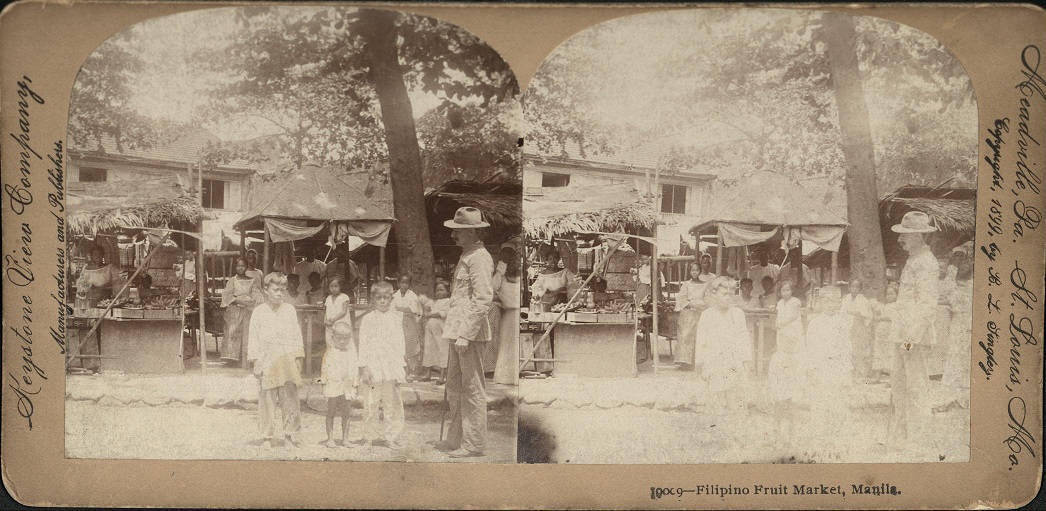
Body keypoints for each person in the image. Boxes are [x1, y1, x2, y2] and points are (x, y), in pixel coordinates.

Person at [435, 207, 494, 458]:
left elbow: (483, 299)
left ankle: (473, 443)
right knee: (455, 387)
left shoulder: (480, 258)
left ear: (471, 232)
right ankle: (457, 438)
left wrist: (466, 334)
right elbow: (461, 297)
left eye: (457, 232)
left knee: (472, 389)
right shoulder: (467, 255)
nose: (452, 237)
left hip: (469, 335)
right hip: (457, 331)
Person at [887, 211, 940, 448]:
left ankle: (920, 438)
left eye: (906, 235)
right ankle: (902, 434)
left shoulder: (927, 264)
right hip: (902, 334)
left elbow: (927, 305)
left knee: (915, 386)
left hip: (913, 337)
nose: (901, 240)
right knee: (899, 384)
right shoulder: (913, 260)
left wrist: (909, 339)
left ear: (919, 236)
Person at [246, 272, 305, 448]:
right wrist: (255, 361)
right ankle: (266, 436)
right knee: (267, 399)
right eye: (275, 289)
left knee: (290, 399)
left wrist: (298, 357)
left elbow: (296, 335)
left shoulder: (290, 310)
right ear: (266, 290)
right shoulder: (258, 312)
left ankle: (289, 435)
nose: (280, 293)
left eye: (283, 290)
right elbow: (253, 338)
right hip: (267, 360)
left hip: (286, 359)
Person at [803, 285, 852, 458]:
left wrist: (846, 374)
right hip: (820, 370)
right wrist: (812, 370)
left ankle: (836, 445)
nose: (830, 304)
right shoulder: (815, 323)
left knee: (837, 408)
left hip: (837, 370)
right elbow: (810, 349)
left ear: (839, 303)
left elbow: (847, 350)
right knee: (819, 408)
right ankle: (818, 444)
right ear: (821, 302)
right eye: (826, 300)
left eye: (834, 301)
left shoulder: (843, 324)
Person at [357, 280, 407, 449]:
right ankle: (368, 437)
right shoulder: (368, 320)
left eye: (386, 298)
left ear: (391, 299)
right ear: (373, 299)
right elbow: (363, 344)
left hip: (391, 366)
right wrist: (364, 367)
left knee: (391, 403)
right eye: (379, 298)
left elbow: (400, 344)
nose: (383, 301)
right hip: (373, 366)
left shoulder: (395, 319)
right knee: (371, 403)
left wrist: (401, 368)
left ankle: (390, 436)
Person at [694, 276, 753, 417]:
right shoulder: (707, 315)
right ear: (714, 294)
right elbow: (701, 341)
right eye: (724, 294)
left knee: (735, 400)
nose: (728, 298)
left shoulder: (737, 314)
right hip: (714, 361)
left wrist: (746, 361)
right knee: (716, 400)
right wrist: (700, 364)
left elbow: (743, 337)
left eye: (731, 294)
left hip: (733, 361)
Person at [766, 280, 804, 447]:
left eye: (788, 290)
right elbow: (779, 315)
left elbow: (793, 316)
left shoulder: (796, 302)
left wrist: (784, 323)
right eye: (783, 290)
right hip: (783, 330)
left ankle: (793, 433)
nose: (786, 293)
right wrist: (778, 323)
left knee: (792, 353)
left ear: (792, 291)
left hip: (792, 329)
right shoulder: (780, 303)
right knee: (781, 350)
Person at [321, 277, 358, 448]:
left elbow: (343, 312)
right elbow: (325, 369)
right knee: (331, 411)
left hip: (341, 324)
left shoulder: (344, 298)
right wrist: (326, 321)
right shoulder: (328, 299)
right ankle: (330, 438)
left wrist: (355, 384)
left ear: (340, 286)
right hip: (334, 383)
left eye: (336, 285)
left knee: (346, 412)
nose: (334, 288)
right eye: (331, 285)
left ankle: (345, 438)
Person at [220, 257, 263, 366]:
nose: (240, 268)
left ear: (247, 267)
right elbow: (227, 295)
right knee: (232, 330)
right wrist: (239, 301)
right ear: (235, 267)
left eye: (243, 266)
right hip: (234, 309)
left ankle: (246, 357)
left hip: (248, 309)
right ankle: (231, 359)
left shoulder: (252, 281)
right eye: (238, 266)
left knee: (249, 332)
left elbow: (257, 295)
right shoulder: (232, 280)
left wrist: (251, 303)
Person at [942, 258, 973, 411]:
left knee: (959, 358)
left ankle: (961, 397)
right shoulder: (966, 288)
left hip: (963, 323)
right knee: (961, 358)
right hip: (963, 323)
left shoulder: (958, 289)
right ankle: (960, 397)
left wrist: (952, 271)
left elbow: (948, 289)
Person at [674, 262, 712, 370]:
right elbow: (681, 298)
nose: (694, 272)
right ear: (689, 271)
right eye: (692, 270)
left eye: (696, 270)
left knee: (699, 336)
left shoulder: (705, 285)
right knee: (685, 336)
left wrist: (701, 305)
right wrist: (691, 304)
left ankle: (697, 362)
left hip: (700, 313)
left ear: (700, 271)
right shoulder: (687, 284)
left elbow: (708, 299)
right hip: (687, 313)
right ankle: (685, 363)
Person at [493, 247, 522, 386]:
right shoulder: (500, 278)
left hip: (517, 314)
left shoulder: (520, 278)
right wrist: (499, 272)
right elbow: (492, 287)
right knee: (506, 346)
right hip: (509, 314)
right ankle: (505, 377)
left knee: (514, 345)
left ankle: (513, 376)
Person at [841, 278, 875, 380]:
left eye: (857, 287)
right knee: (847, 349)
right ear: (849, 287)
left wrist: (850, 312)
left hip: (859, 327)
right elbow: (841, 312)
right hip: (847, 326)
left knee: (858, 351)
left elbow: (863, 314)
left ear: (860, 289)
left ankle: (859, 374)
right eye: (853, 287)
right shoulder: (845, 299)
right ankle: (849, 373)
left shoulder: (863, 300)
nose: (855, 289)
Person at [391, 274, 424, 381]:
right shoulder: (394, 296)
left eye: (406, 283)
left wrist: (399, 309)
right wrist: (404, 310)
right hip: (397, 324)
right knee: (399, 346)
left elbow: (414, 309)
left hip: (409, 324)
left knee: (409, 346)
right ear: (398, 283)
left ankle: (410, 371)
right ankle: (401, 371)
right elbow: (392, 309)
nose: (404, 285)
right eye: (402, 283)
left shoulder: (412, 295)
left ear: (409, 284)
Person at [420, 280, 452, 384]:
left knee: (442, 350)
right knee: (429, 349)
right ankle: (428, 374)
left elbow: (443, 314)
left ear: (447, 291)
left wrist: (429, 315)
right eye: (437, 290)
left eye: (442, 290)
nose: (439, 292)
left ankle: (442, 376)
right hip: (430, 328)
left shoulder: (449, 301)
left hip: (441, 329)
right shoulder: (434, 302)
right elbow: (427, 309)